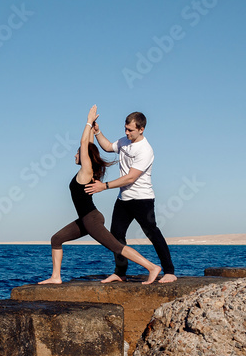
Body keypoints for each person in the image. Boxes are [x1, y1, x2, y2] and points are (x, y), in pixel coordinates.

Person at [39, 105, 161, 285]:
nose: (75, 155)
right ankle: (56, 277)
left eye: (77, 154)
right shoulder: (86, 170)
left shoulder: (86, 171)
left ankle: (152, 267)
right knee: (56, 239)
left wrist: (88, 122)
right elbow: (87, 145)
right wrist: (94, 129)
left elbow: (84, 145)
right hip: (87, 218)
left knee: (117, 247)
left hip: (91, 220)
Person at [84, 111, 177, 283]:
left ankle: (169, 272)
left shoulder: (145, 150)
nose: (127, 133)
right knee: (116, 234)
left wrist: (103, 186)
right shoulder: (124, 141)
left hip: (142, 199)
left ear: (141, 129)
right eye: (125, 129)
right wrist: (97, 132)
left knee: (152, 232)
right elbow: (108, 146)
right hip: (124, 199)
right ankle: (120, 273)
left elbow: (131, 177)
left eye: (130, 130)